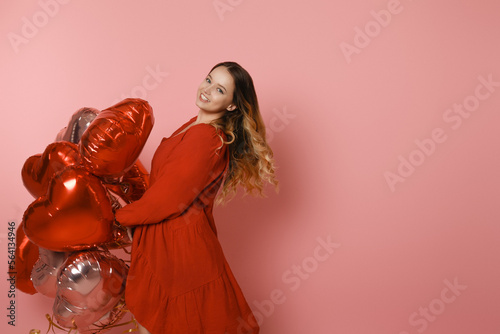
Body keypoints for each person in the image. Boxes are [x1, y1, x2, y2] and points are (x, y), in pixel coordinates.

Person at [115, 61, 279, 334]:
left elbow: (167, 199)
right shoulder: (194, 125)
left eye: (219, 89)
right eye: (208, 80)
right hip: (165, 240)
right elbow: (164, 184)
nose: (207, 90)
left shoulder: (207, 137)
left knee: (165, 323)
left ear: (231, 105)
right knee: (152, 322)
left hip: (180, 248)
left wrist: (117, 217)